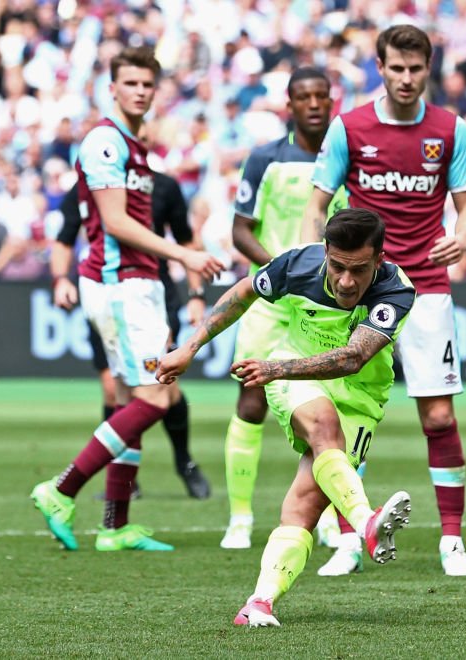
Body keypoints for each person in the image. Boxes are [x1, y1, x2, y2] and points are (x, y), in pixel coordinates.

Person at [157, 209, 414, 627]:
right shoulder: (298, 263)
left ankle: (258, 603)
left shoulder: (396, 289)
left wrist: (277, 370)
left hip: (360, 397)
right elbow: (243, 292)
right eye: (338, 267)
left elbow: (353, 358)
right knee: (322, 427)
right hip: (295, 370)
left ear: (379, 260)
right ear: (326, 252)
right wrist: (191, 347)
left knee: (305, 505)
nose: (347, 282)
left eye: (359, 270)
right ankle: (367, 523)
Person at [303, 24, 466, 577]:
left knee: (437, 416)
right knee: (346, 421)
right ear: (380, 68)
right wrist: (319, 265)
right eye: (396, 69)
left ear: (429, 69)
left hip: (426, 286)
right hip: (360, 292)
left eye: (416, 69)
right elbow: (317, 205)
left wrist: (465, 234)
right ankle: (351, 539)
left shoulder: (450, 131)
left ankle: (451, 541)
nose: (406, 79)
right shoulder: (349, 127)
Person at [30, 46, 224, 552]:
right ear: (112, 88)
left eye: (147, 84)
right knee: (158, 396)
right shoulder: (105, 142)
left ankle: (115, 526)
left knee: (134, 396)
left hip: (137, 285)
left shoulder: (135, 147)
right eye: (130, 83)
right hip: (120, 285)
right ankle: (61, 488)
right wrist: (185, 254)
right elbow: (114, 222)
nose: (139, 91)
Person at [221, 67, 347, 550]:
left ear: (331, 101)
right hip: (271, 301)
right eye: (303, 97)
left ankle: (330, 519)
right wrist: (281, 271)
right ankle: (239, 518)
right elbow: (240, 230)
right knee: (250, 401)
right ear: (289, 104)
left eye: (321, 96)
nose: (314, 104)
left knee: (326, 413)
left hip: (325, 306)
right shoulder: (264, 159)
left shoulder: (346, 161)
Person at [51, 170, 212, 500]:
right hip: (106, 292)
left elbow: (187, 240)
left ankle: (184, 462)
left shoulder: (164, 186)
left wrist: (196, 293)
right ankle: (124, 487)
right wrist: (60, 279)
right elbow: (65, 237)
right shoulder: (89, 184)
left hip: (153, 294)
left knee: (162, 385)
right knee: (114, 390)